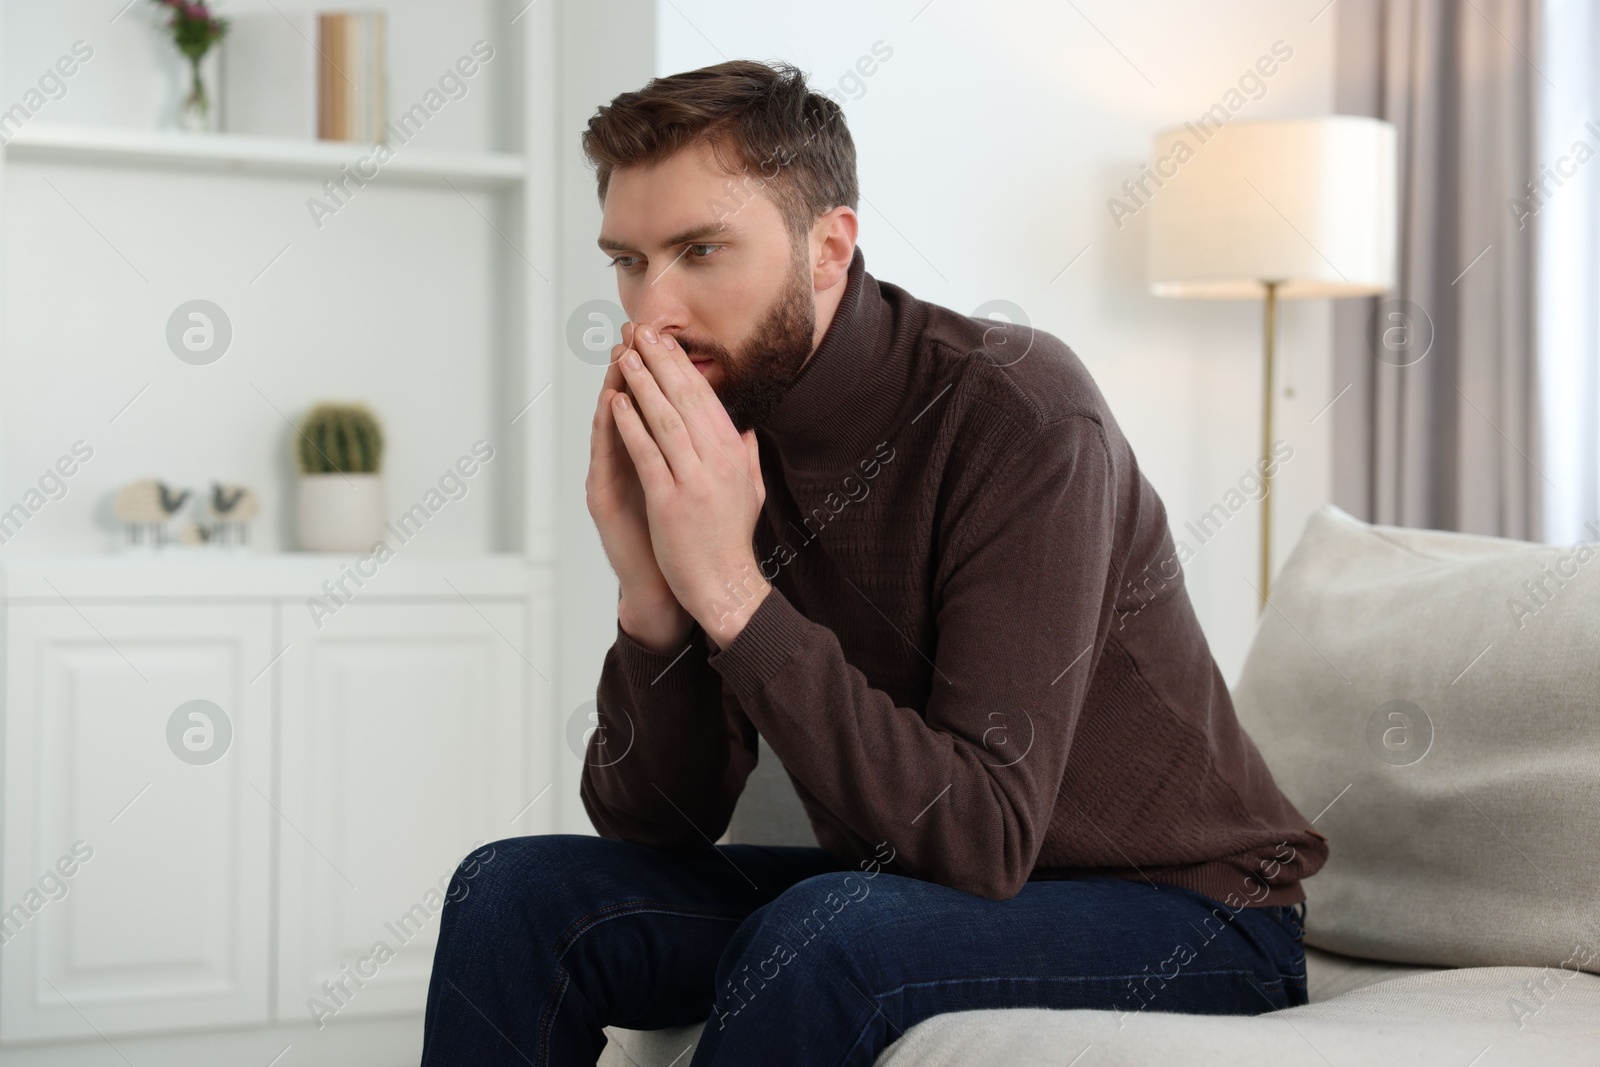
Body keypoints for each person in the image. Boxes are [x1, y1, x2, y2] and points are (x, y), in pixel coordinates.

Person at [420, 58, 1327, 1067]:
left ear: (828, 247)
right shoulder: (725, 428)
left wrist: (728, 588)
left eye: (701, 249)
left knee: (819, 933)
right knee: (512, 893)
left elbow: (984, 837)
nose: (652, 313)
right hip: (911, 888)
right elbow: (656, 827)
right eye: (628, 261)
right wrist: (652, 599)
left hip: (1190, 914)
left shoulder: (1016, 413)